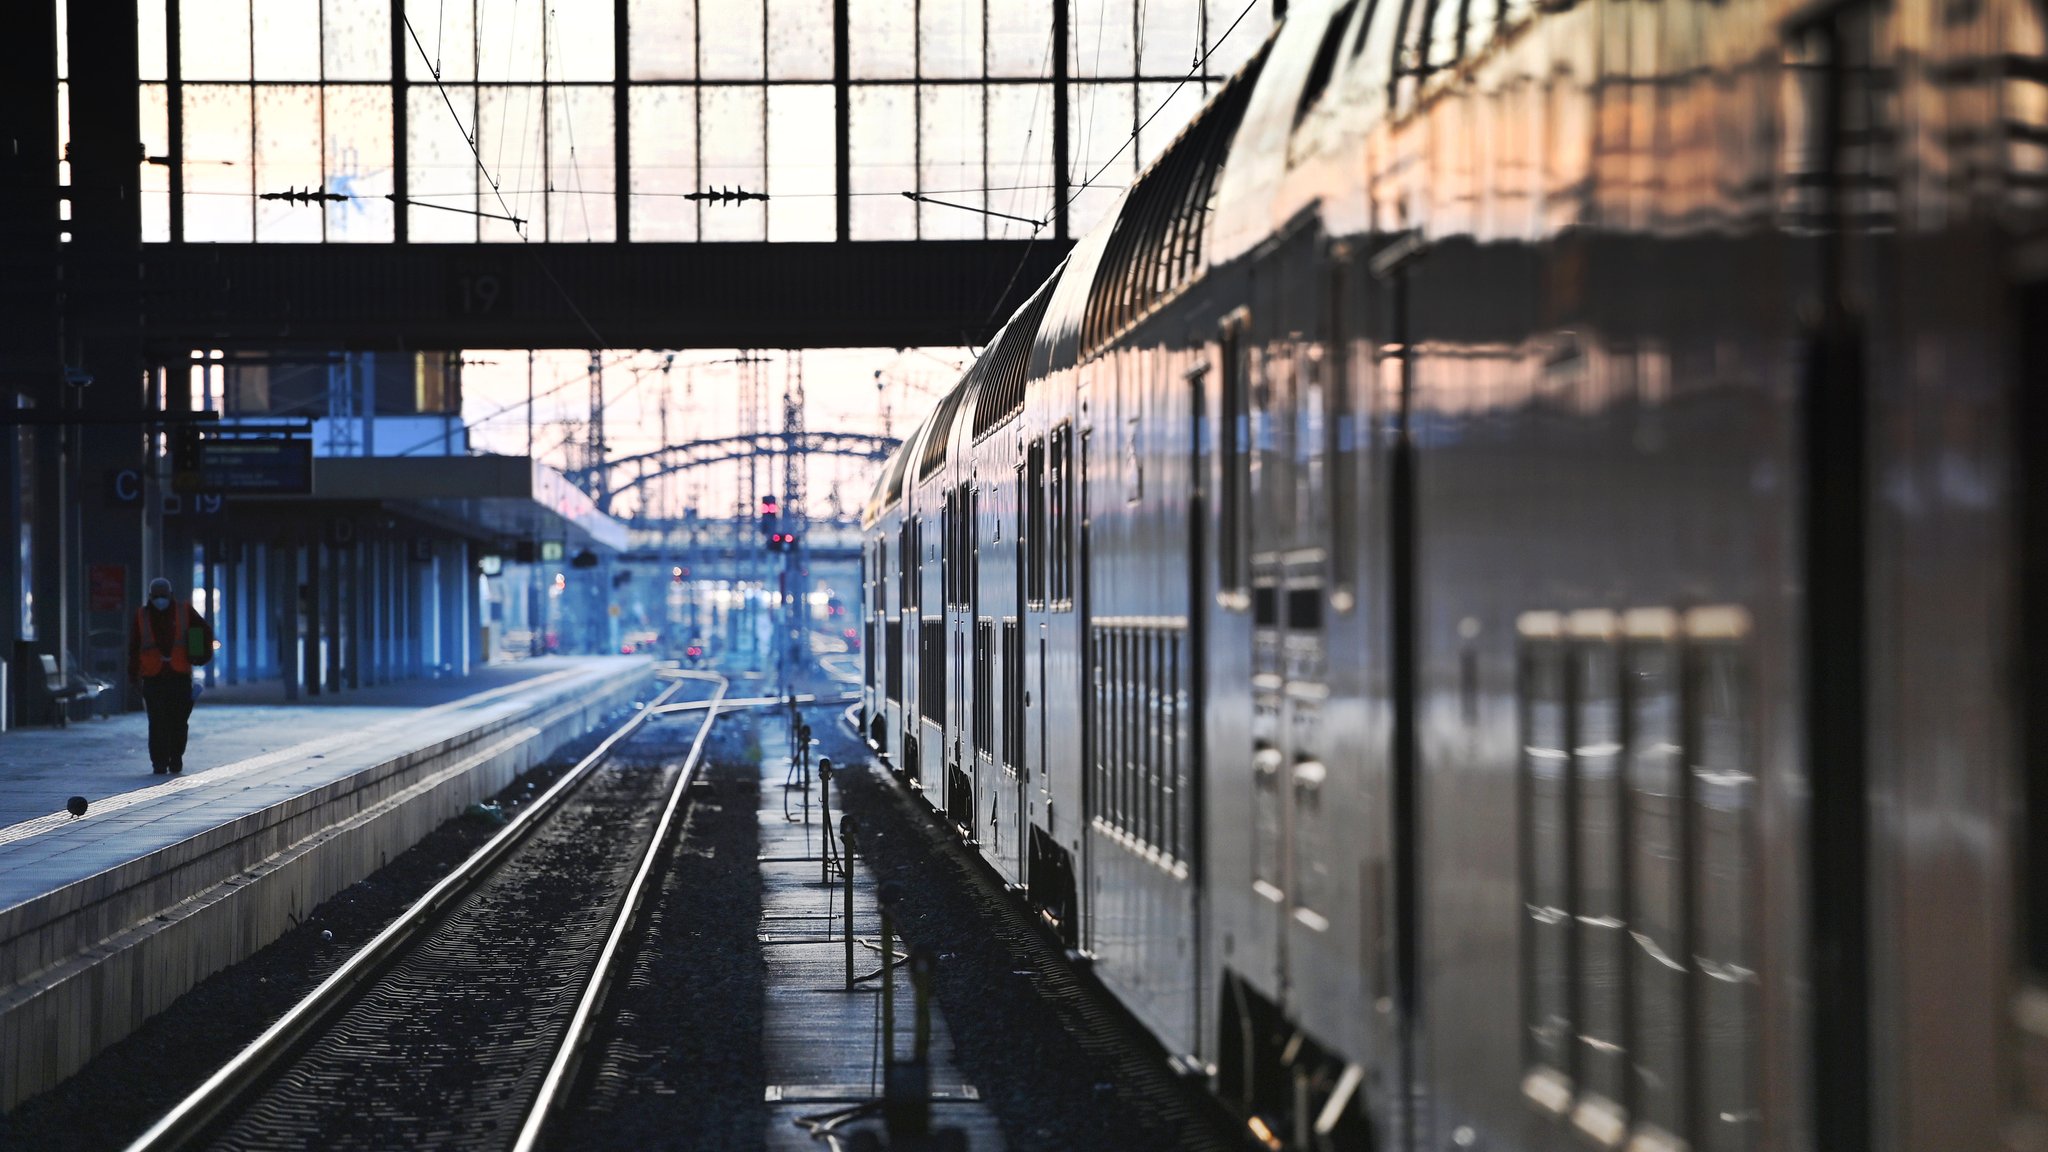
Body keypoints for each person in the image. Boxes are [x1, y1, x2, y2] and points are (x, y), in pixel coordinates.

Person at [128, 576, 213, 775]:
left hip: (179, 676)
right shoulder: (142, 616)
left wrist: (200, 656)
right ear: (150, 596)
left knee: (178, 721)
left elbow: (204, 631)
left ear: (170, 595)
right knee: (157, 722)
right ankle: (159, 762)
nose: (160, 600)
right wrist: (134, 676)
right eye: (156, 596)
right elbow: (134, 648)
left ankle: (175, 758)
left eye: (163, 596)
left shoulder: (184, 611)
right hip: (153, 678)